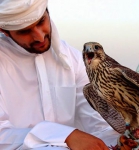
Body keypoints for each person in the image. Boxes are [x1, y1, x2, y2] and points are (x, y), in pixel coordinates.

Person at [0, 0, 120, 149]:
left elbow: (98, 124)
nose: (39, 36)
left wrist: (120, 142)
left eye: (41, 22)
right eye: (24, 31)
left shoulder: (73, 59)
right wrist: (64, 136)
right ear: (4, 31)